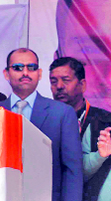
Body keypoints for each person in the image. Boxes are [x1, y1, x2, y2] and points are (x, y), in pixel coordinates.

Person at [0, 48, 83, 201]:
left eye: (31, 67)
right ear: (6, 74)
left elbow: (72, 171)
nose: (25, 73)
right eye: (18, 67)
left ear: (39, 73)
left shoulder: (62, 113)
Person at [49, 57, 111, 201]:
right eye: (53, 81)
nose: (59, 86)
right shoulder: (45, 120)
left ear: (82, 85)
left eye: (66, 80)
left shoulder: (105, 122)